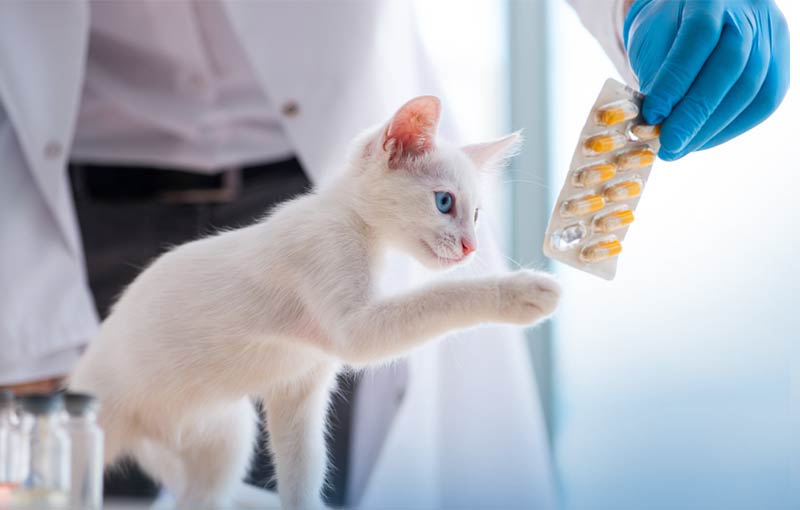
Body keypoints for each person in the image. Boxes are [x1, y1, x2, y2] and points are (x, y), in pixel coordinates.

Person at [0, 0, 788, 507]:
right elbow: (355, 334)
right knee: (48, 475)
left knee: (273, 432)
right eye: (458, 214)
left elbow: (311, 377)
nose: (472, 243)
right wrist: (487, 296)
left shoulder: (364, 224)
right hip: (59, 199)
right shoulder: (350, 218)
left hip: (302, 154)